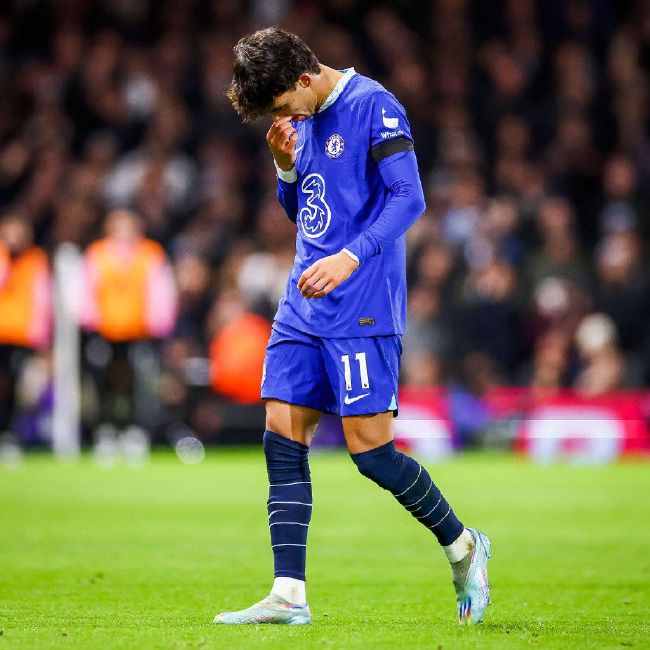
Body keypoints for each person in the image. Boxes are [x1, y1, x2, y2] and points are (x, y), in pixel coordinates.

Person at [215, 27, 491, 626]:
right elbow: (307, 210)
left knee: (371, 454)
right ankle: (288, 594)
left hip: (362, 304)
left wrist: (350, 257)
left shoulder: (374, 105)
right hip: (303, 302)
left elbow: (409, 199)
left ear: (305, 79)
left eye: (284, 103)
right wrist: (285, 169)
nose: (285, 116)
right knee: (281, 433)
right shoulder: (304, 120)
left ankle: (464, 544)